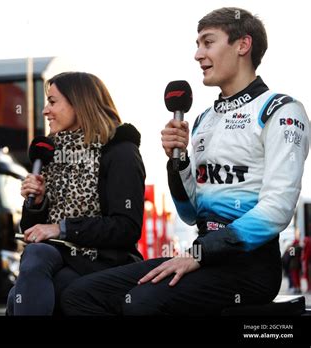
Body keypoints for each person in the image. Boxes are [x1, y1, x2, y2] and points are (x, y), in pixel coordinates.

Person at [61, 7, 309, 315]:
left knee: (141, 304)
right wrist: (178, 163)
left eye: (208, 42)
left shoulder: (281, 110)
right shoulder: (204, 119)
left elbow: (277, 209)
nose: (197, 54)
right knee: (79, 295)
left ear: (243, 45)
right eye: (197, 44)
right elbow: (190, 213)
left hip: (250, 267)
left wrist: (200, 254)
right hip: (201, 253)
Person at [6, 72, 145, 315]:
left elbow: (126, 227)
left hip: (104, 259)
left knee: (35, 292)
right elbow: (32, 233)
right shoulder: (50, 153)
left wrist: (63, 228)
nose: (45, 111)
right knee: (34, 256)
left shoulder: (120, 152)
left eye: (52, 101)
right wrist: (36, 204)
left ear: (79, 103)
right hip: (56, 254)